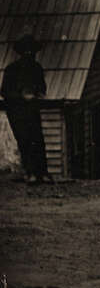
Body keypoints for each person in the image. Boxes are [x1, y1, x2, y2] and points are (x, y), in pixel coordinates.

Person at [1, 32, 50, 184]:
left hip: (32, 110)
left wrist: (39, 94)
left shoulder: (37, 68)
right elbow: (4, 91)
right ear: (21, 53)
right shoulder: (11, 70)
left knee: (38, 140)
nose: (30, 54)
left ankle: (43, 172)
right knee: (24, 140)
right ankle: (30, 173)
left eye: (32, 52)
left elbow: (42, 87)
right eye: (26, 51)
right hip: (16, 112)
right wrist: (22, 97)